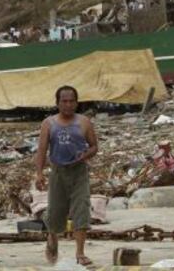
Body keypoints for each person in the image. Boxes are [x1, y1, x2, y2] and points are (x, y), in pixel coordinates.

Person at [35, 85, 98, 266]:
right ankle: (52, 238)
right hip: (58, 173)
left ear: (77, 103)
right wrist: (39, 174)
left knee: (81, 210)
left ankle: (80, 253)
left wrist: (85, 155)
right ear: (57, 103)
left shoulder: (84, 122)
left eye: (72, 101)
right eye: (64, 101)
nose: (68, 105)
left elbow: (94, 146)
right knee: (55, 212)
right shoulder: (49, 124)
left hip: (79, 172)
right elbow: (41, 150)